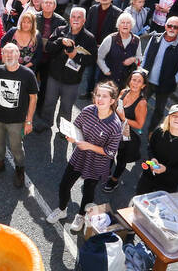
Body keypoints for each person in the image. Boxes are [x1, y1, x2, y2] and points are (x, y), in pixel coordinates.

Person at [46, 81, 123, 232]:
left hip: (97, 162)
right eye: (98, 95)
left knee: (88, 191)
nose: (99, 99)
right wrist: (71, 136)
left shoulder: (115, 125)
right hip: (79, 156)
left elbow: (111, 152)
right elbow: (77, 126)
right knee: (64, 185)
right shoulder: (88, 110)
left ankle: (81, 215)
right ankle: (62, 209)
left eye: (104, 96)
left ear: (112, 101)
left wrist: (89, 146)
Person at [0, 43, 39, 188]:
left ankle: (20, 169)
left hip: (17, 121)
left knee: (16, 148)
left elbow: (33, 98)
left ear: (18, 55)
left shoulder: (28, 74)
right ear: (2, 56)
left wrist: (29, 121)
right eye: (5, 53)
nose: (8, 56)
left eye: (12, 52)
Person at [40, 6, 96, 130]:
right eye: (73, 17)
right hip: (54, 75)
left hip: (72, 80)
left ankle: (64, 129)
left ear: (84, 20)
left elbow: (92, 60)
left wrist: (76, 56)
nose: (75, 19)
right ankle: (46, 122)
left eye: (79, 17)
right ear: (69, 18)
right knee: (49, 102)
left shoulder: (89, 38)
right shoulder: (60, 30)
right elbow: (48, 47)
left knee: (66, 106)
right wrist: (60, 41)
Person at [136, 103, 178, 194]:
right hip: (148, 176)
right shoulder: (159, 132)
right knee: (139, 199)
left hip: (168, 184)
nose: (177, 118)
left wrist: (166, 170)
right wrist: (152, 158)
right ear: (168, 118)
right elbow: (150, 148)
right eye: (174, 115)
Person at [140, 15, 178, 124]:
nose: (172, 29)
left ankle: (151, 133)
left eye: (175, 27)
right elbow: (145, 55)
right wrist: (141, 74)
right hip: (148, 81)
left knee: (159, 111)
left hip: (165, 85)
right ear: (165, 26)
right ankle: (135, 126)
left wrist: (174, 79)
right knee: (139, 105)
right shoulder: (154, 38)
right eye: (170, 26)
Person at [104, 70, 148, 192]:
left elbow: (139, 125)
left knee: (122, 160)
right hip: (114, 130)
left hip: (128, 135)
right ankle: (106, 172)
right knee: (110, 152)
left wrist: (124, 118)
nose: (135, 83)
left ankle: (114, 180)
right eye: (133, 79)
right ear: (129, 80)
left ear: (143, 85)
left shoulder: (142, 103)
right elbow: (115, 108)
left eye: (139, 81)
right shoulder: (123, 92)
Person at [96, 12, 142, 88]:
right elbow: (99, 56)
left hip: (125, 81)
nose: (125, 25)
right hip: (108, 80)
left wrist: (134, 59)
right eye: (123, 23)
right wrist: (106, 70)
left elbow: (140, 58)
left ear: (131, 26)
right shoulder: (110, 39)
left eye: (128, 23)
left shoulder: (137, 40)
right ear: (118, 25)